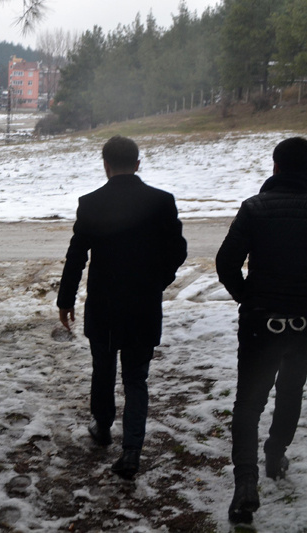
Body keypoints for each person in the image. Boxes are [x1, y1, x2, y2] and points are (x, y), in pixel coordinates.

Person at [216, 137, 307, 525]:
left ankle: (244, 488)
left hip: (261, 320)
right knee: (290, 388)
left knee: (248, 402)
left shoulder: (254, 208)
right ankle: (275, 455)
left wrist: (247, 296)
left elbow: (225, 263)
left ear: (277, 167)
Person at [56, 135, 187, 479]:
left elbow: (76, 256)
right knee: (136, 378)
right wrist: (159, 281)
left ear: (106, 165)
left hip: (103, 304)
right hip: (143, 304)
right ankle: (132, 450)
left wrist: (65, 300)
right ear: (138, 164)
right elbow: (178, 251)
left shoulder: (91, 203)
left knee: (103, 368)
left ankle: (102, 429)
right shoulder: (161, 201)